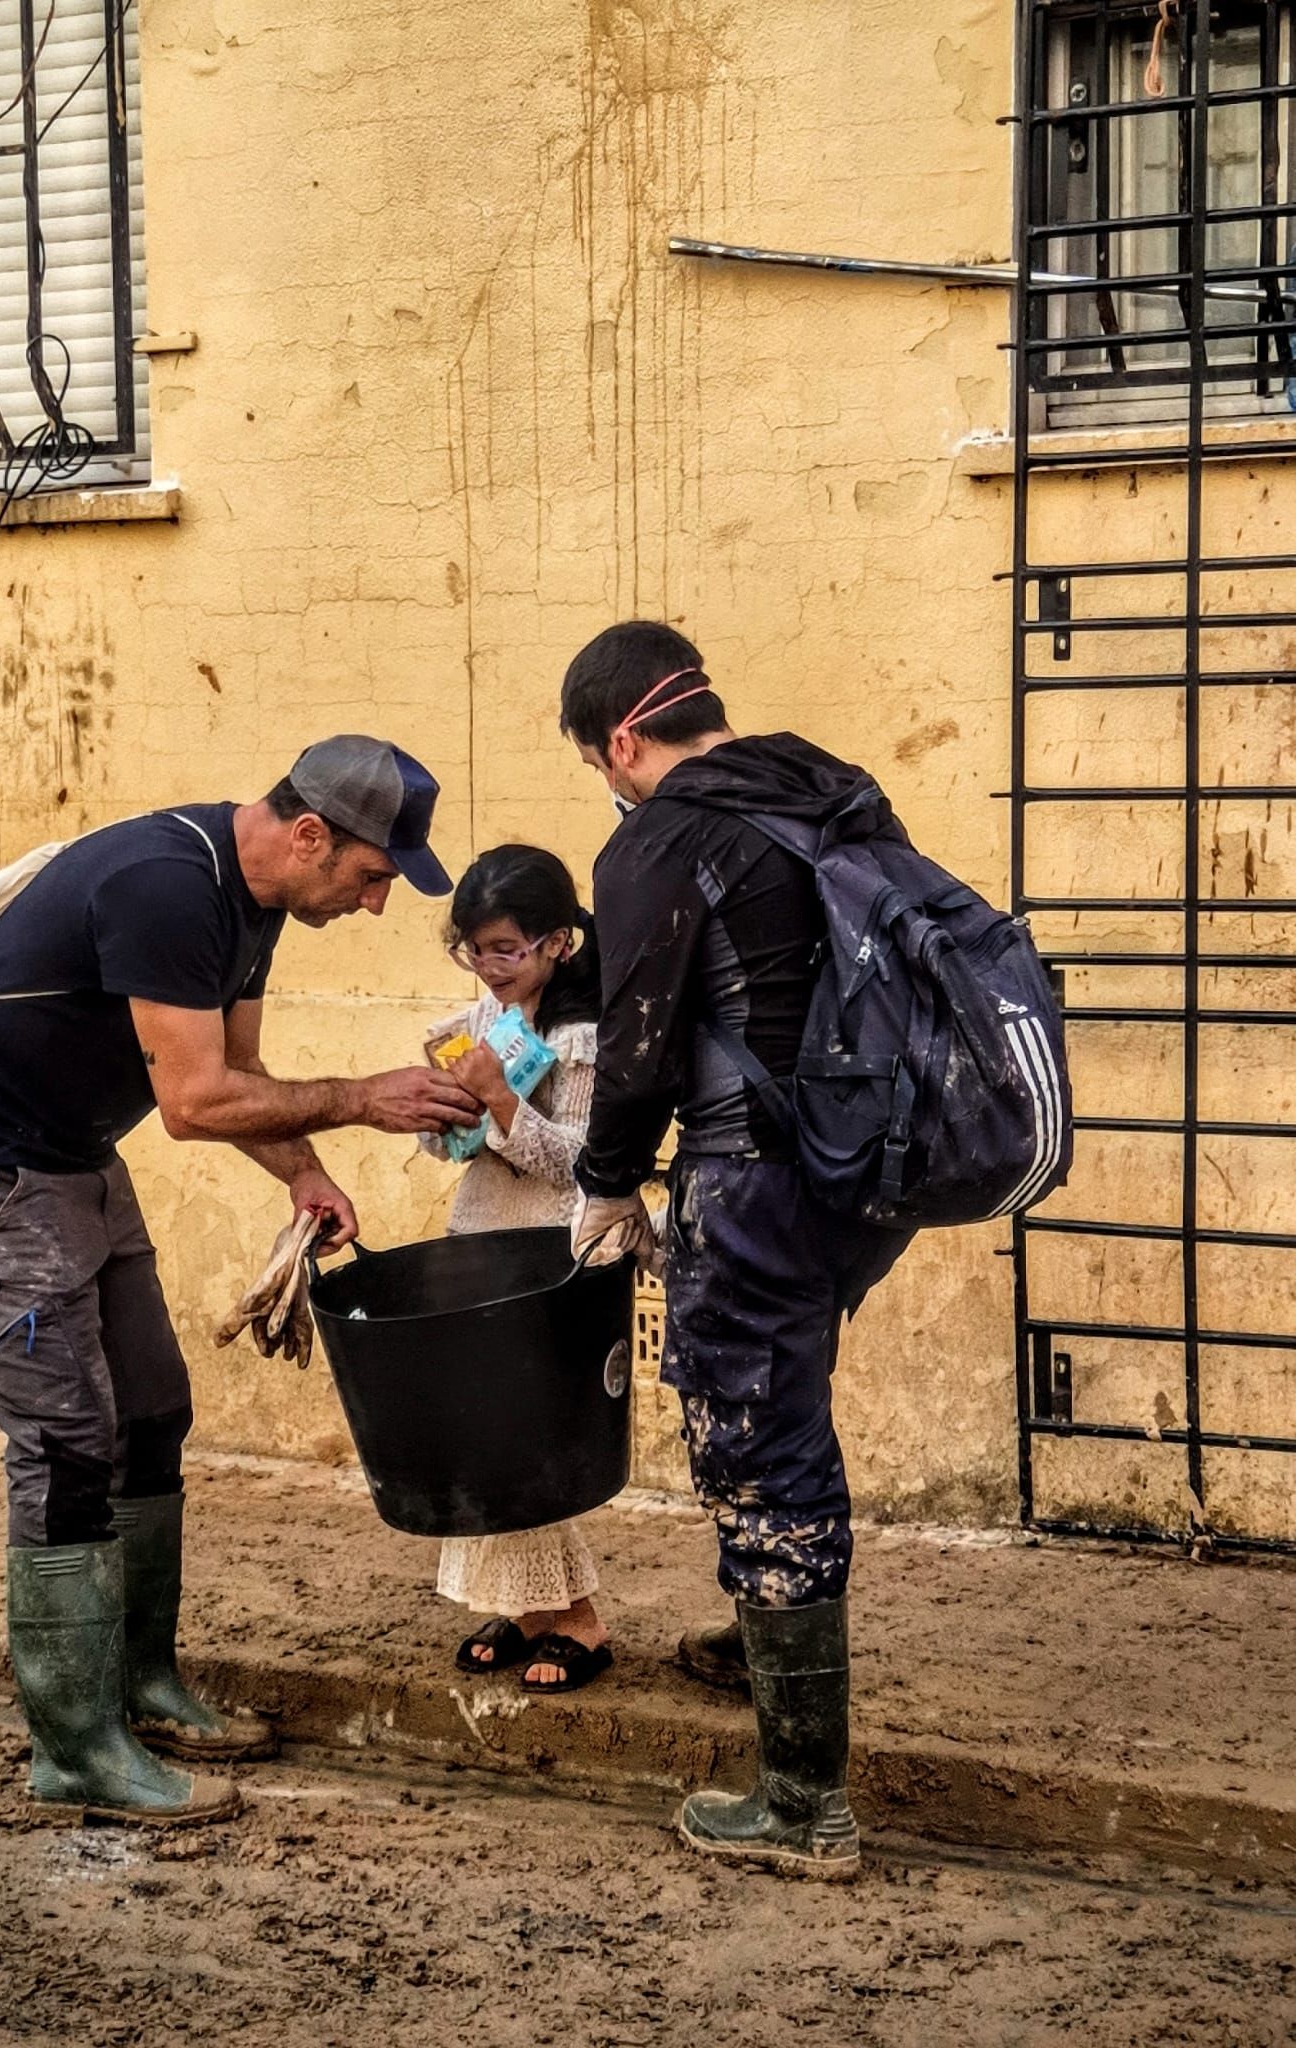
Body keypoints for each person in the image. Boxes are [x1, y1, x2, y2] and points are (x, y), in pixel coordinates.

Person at [0, 736, 481, 1826]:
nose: (376, 900)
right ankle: (75, 1746)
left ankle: (141, 1684)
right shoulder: (168, 885)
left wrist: (305, 1175)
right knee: (66, 1438)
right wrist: (362, 1098)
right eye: (371, 875)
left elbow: (237, 1076)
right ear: (310, 835)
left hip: (67, 1151)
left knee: (151, 1410)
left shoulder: (251, 904)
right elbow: (195, 1104)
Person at [560, 623, 914, 1879]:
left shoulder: (656, 834)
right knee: (786, 1401)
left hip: (751, 1174)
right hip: (861, 1172)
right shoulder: (828, 788)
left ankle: (806, 1803)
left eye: (598, 763)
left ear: (619, 741)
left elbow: (640, 1034)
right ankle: (759, 1623)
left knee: (759, 1442)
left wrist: (607, 1182)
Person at [419, 846, 611, 1693]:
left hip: (548, 1258)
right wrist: (441, 1105)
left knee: (521, 1437)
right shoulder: (482, 1021)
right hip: (479, 1242)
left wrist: (499, 1097)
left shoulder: (584, 1038)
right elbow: (446, 1149)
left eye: (505, 949)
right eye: (473, 949)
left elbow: (579, 1164)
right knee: (480, 1431)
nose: (489, 967)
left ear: (558, 943)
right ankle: (531, 1611)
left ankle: (579, 1623)